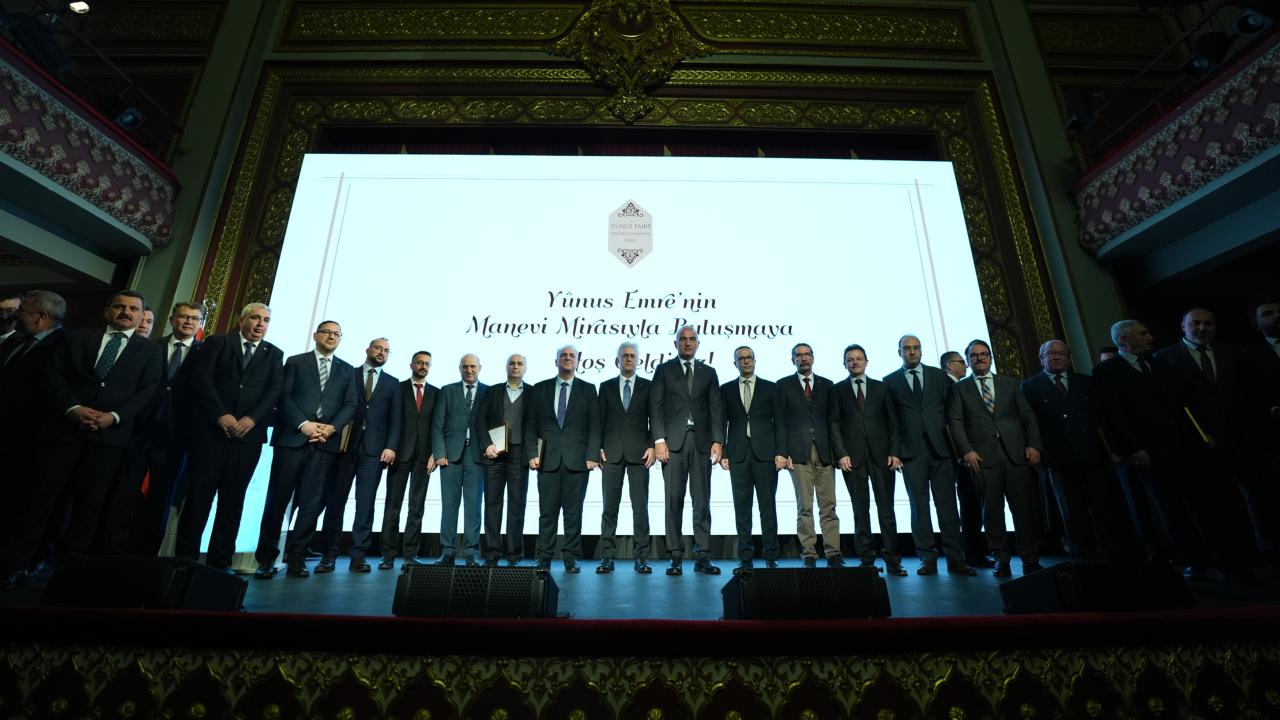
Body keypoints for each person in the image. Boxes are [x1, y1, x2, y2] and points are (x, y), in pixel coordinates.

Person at [4, 290, 162, 586]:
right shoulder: (78, 338)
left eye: (133, 309)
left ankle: (66, 575)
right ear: (107, 311)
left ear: (141, 316)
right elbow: (53, 373)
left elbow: (148, 391)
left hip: (109, 440)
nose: (126, 312)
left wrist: (114, 416)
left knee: (87, 508)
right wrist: (73, 408)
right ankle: (15, 565)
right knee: (39, 502)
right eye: (120, 306)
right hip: (63, 433)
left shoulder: (151, 352)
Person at [174, 302, 283, 572]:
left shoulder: (273, 353)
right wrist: (220, 414)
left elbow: (274, 391)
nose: (260, 324)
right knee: (198, 498)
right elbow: (202, 380)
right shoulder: (218, 343)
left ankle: (220, 563)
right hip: (211, 434)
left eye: (266, 320)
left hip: (247, 439)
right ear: (241, 320)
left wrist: (252, 419)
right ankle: (185, 561)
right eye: (255, 318)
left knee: (233, 501)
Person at [1155, 307, 1264, 568]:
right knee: (1215, 502)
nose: (1202, 328)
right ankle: (1228, 555)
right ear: (1183, 326)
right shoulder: (1165, 358)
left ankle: (1261, 550)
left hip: (1241, 439)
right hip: (1199, 443)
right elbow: (1170, 404)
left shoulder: (1233, 353)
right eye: (1195, 323)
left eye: (1208, 324)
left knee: (1258, 497)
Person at [1092, 319, 1204, 570]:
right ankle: (1183, 557)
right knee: (1165, 506)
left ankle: (1206, 553)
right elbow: (1113, 415)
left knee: (1193, 501)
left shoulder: (1160, 364)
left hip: (1180, 446)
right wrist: (1132, 448)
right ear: (1124, 340)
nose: (1150, 337)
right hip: (1146, 452)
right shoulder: (1106, 372)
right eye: (1143, 333)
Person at [251, 321, 357, 578]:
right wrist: (303, 425)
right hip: (292, 440)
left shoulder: (347, 369)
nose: (331, 337)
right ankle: (266, 559)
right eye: (327, 332)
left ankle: (297, 559)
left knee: (311, 505)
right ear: (315, 335)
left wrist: (331, 428)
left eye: (336, 334)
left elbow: (351, 404)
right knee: (277, 501)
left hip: (324, 445)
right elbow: (283, 397)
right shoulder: (295, 362)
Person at [1021, 339, 1133, 562]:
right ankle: (1083, 556)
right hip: (1057, 458)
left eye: (1061, 353)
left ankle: (1113, 553)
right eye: (1051, 353)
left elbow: (1102, 417)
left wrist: (1111, 449)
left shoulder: (1086, 382)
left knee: (1103, 506)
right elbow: (1029, 424)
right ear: (1041, 358)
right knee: (1071, 511)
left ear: (1069, 357)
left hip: (1092, 454)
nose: (1057, 356)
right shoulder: (1029, 387)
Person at [948, 339, 1043, 577]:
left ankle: (1030, 559)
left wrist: (1033, 445)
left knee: (1024, 511)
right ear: (967, 361)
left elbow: (1028, 417)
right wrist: (966, 450)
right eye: (974, 355)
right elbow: (955, 422)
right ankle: (1002, 559)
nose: (979, 358)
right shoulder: (959, 389)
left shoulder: (1010, 384)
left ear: (990, 357)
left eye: (984, 354)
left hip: (1016, 455)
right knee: (991, 513)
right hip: (981, 458)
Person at [883, 335, 972, 575]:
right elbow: (892, 422)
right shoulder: (890, 381)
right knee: (919, 507)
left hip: (941, 450)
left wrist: (959, 449)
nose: (911, 352)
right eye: (906, 348)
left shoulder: (939, 376)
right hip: (911, 453)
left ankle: (956, 558)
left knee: (948, 506)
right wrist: (895, 452)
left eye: (916, 348)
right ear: (899, 352)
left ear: (921, 351)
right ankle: (927, 558)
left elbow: (952, 413)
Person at [124, 301, 205, 556]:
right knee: (123, 490)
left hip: (177, 436)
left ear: (200, 323)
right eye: (183, 316)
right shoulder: (151, 346)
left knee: (161, 497)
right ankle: (111, 549)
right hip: (139, 429)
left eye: (194, 318)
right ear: (172, 319)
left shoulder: (205, 353)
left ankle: (146, 555)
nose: (189, 321)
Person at [0, 290, 67, 589]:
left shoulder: (65, 346)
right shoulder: (14, 340)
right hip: (5, 437)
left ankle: (12, 568)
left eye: (23, 310)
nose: (16, 314)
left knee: (23, 508)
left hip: (34, 443)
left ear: (41, 317)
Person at [318, 337, 400, 572]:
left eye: (386, 350)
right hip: (343, 446)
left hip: (374, 451)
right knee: (336, 501)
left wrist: (391, 446)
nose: (382, 352)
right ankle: (329, 555)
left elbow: (395, 420)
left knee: (365, 504)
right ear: (367, 350)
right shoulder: (348, 373)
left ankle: (358, 556)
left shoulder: (392, 383)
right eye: (378, 348)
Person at [650, 325, 724, 576]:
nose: (688, 343)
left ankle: (703, 555)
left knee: (702, 501)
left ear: (698, 344)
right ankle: (675, 556)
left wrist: (718, 440)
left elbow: (716, 408)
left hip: (702, 443)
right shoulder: (663, 370)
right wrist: (659, 440)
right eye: (683, 339)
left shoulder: (709, 372)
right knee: (674, 500)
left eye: (692, 339)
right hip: (672, 444)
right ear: (676, 344)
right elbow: (656, 407)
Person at [831, 344, 905, 575]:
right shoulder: (837, 390)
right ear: (845, 364)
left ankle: (892, 559)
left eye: (859, 358)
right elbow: (834, 424)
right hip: (852, 459)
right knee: (860, 510)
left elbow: (894, 423)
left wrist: (895, 452)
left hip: (883, 457)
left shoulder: (881, 388)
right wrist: (841, 454)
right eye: (850, 359)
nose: (854, 362)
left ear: (866, 362)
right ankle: (866, 558)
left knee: (886, 510)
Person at [525, 346, 600, 572]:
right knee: (547, 513)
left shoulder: (588, 389)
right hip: (546, 460)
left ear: (577, 361)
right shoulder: (540, 388)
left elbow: (595, 425)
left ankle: (570, 557)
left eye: (572, 356)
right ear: (556, 361)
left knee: (573, 513)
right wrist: (532, 453)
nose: (568, 359)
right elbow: (531, 424)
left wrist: (592, 455)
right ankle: (544, 557)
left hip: (578, 461)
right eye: (563, 356)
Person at [719, 345, 786, 574]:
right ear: (735, 363)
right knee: (742, 508)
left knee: (768, 506)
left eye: (749, 357)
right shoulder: (726, 389)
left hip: (766, 454)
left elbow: (780, 422)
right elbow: (721, 423)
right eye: (741, 358)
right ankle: (745, 557)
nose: (746, 361)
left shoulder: (771, 388)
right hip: (738, 454)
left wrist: (781, 452)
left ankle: (771, 556)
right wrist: (724, 453)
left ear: (755, 360)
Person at [778, 342, 842, 568]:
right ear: (792, 360)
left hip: (825, 453)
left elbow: (834, 421)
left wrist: (838, 452)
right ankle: (809, 554)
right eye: (799, 355)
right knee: (804, 506)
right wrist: (783, 452)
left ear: (813, 358)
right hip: (797, 454)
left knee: (829, 506)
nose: (803, 358)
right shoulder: (783, 385)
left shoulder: (828, 385)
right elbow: (780, 422)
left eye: (807, 355)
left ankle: (833, 553)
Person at [598, 342, 655, 574]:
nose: (629, 359)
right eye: (625, 356)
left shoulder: (648, 386)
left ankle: (642, 557)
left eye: (632, 356)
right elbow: (599, 420)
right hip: (611, 454)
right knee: (609, 508)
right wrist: (598, 448)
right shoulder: (606, 386)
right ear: (617, 360)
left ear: (638, 360)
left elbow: (655, 419)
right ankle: (607, 557)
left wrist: (652, 446)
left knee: (640, 508)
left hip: (640, 454)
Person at [379, 350, 439, 569]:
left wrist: (436, 453)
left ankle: (410, 554)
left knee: (416, 506)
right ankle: (388, 555)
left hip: (425, 457)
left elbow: (437, 425)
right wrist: (391, 447)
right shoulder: (398, 388)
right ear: (411, 365)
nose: (423, 366)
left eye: (427, 364)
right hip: (399, 454)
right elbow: (391, 420)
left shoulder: (436, 393)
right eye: (419, 363)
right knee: (392, 506)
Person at [476, 353, 531, 566]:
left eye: (519, 364)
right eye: (512, 363)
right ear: (506, 367)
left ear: (525, 368)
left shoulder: (533, 392)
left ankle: (513, 554)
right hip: (495, 453)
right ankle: (491, 553)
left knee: (517, 504)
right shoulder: (493, 391)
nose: (515, 367)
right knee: (492, 503)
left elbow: (537, 423)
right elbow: (480, 420)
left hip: (520, 454)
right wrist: (486, 444)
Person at [431, 353, 486, 565]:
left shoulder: (488, 392)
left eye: (473, 366)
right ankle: (448, 551)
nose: (469, 370)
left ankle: (471, 552)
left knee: (474, 506)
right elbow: (437, 424)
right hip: (450, 457)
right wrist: (439, 453)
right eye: (465, 367)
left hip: (477, 457)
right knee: (449, 505)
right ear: (459, 368)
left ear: (480, 367)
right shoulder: (447, 391)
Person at [942, 349, 990, 568]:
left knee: (973, 503)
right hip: (960, 455)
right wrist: (962, 451)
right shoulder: (948, 386)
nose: (966, 365)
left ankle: (974, 551)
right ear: (949, 365)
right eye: (962, 361)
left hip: (971, 452)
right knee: (969, 503)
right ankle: (972, 552)